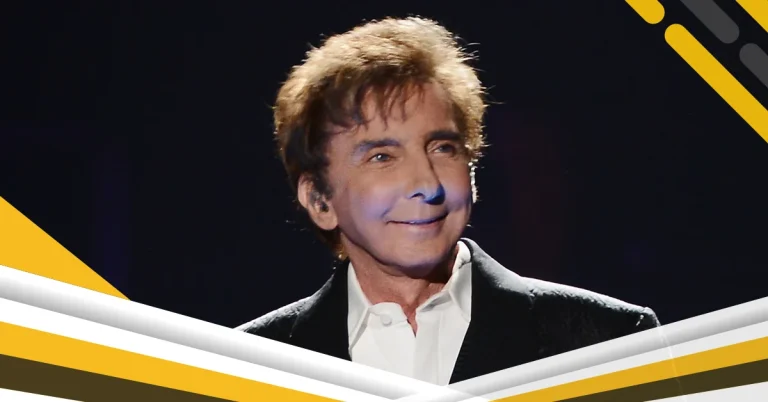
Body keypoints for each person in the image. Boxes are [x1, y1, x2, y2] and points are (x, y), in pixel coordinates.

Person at [237, 16, 659, 385]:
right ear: (319, 200)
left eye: (443, 148)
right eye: (382, 156)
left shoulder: (609, 342)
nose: (427, 184)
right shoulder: (248, 366)